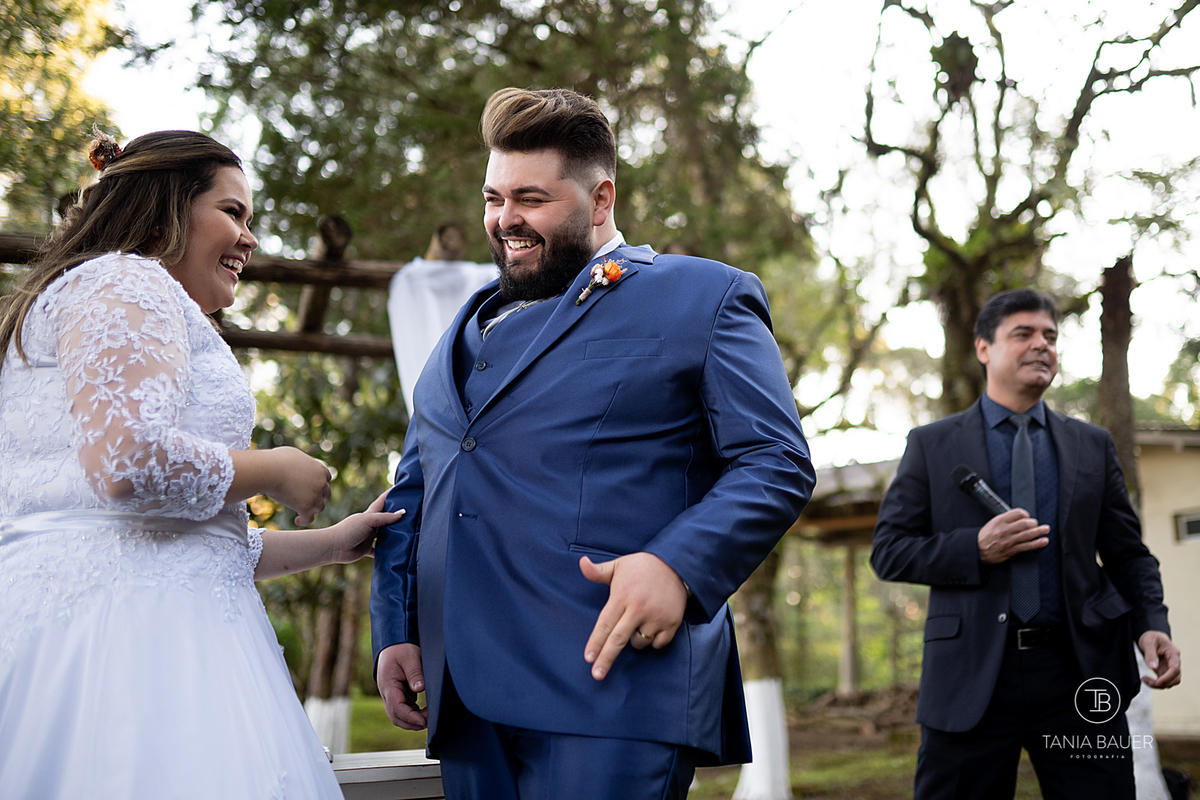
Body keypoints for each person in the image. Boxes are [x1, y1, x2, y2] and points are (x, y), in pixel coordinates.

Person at [370, 87, 815, 799]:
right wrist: (395, 627)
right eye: (493, 197)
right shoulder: (457, 330)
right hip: (465, 702)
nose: (504, 220)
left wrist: (677, 565)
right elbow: (416, 489)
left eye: (531, 199)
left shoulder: (704, 296)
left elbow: (776, 460)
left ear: (601, 198)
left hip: (614, 685)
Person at [0, 129, 402, 799]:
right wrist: (274, 467)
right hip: (126, 653)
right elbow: (126, 464)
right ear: (167, 208)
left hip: (129, 616)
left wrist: (334, 543)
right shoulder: (128, 279)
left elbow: (180, 542)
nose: (249, 239)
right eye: (233, 213)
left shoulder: (101, 291)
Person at [870, 288, 1181, 800]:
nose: (1042, 345)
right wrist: (976, 548)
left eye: (1050, 336)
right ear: (983, 348)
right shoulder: (931, 444)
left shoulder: (1092, 444)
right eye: (1024, 334)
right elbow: (889, 549)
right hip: (970, 677)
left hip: (1080, 676)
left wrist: (1151, 624)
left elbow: (1128, 554)